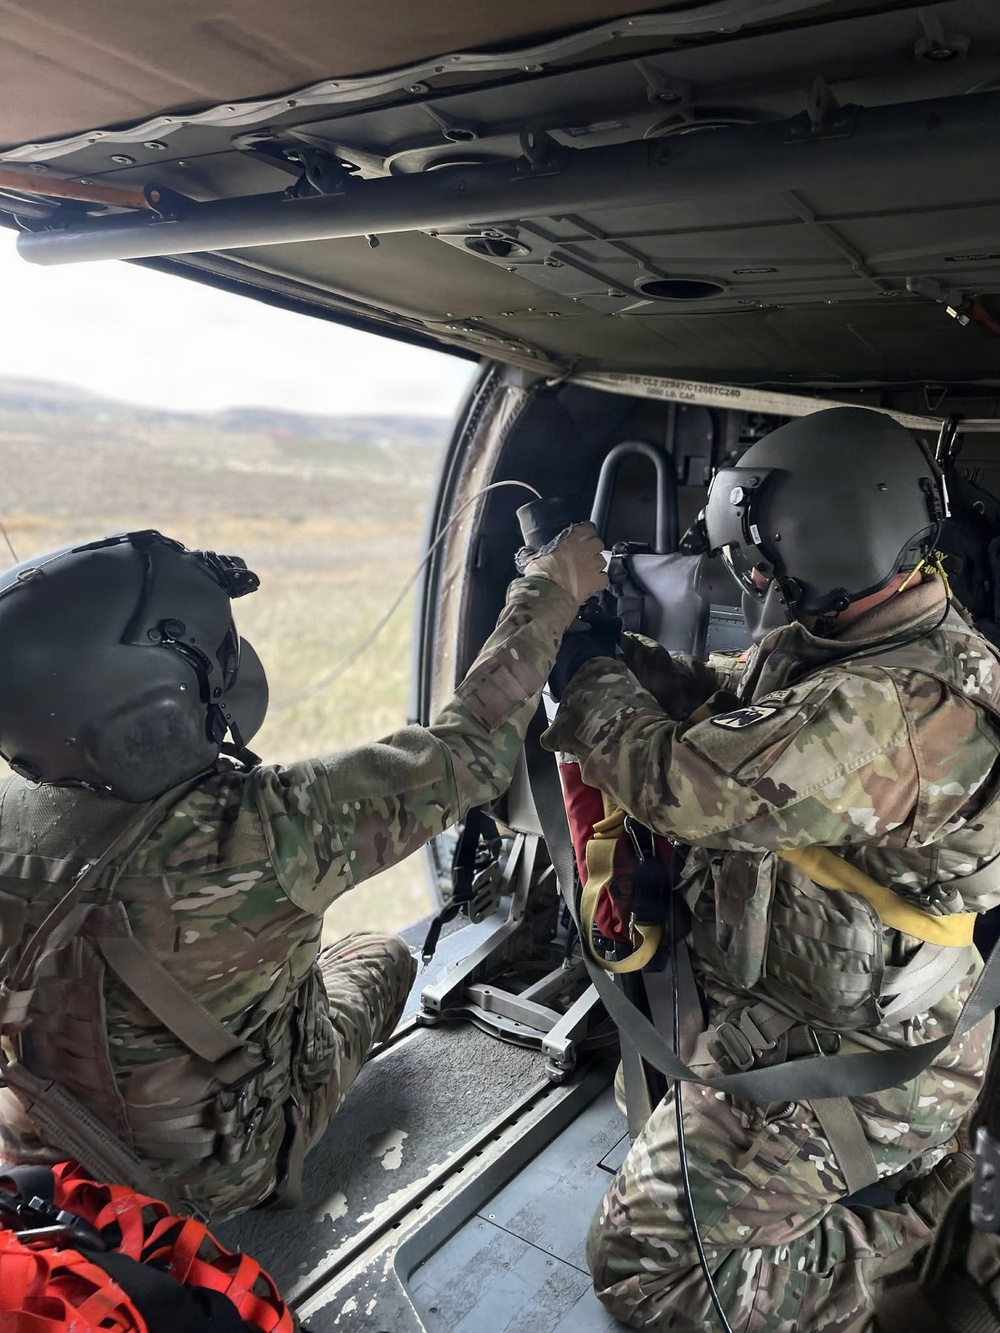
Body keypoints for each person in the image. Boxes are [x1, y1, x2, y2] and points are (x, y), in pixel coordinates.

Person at [0, 520, 606, 1221]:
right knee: (380, 954)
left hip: (42, 1149)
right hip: (210, 1178)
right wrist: (552, 586)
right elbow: (467, 753)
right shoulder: (266, 826)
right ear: (157, 694)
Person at [542, 406, 1000, 1331]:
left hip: (868, 1056)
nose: (754, 579)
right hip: (788, 1004)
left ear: (824, 542)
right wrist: (617, 649)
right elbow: (729, 705)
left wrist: (584, 673)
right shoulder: (853, 634)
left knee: (640, 1267)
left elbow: (683, 783)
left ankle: (919, 1232)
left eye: (761, 560)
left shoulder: (900, 709)